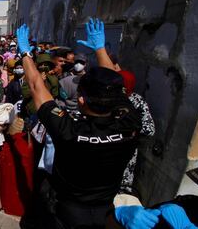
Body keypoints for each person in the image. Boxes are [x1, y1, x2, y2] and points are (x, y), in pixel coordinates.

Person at [16, 19, 147, 228]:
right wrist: (101, 49)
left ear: (81, 100)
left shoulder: (69, 130)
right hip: (106, 209)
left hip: (68, 212)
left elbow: (35, 85)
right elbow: (114, 83)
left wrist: (25, 54)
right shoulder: (130, 122)